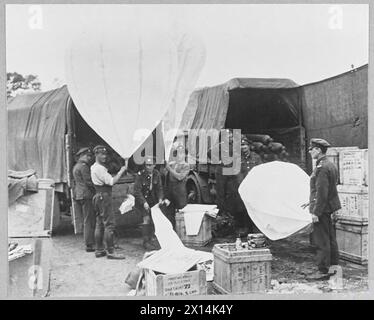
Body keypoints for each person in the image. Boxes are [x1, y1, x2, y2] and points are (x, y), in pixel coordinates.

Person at [307, 138, 341, 279]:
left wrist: (316, 212)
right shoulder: (330, 165)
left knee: (321, 240)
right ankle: (333, 267)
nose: (309, 151)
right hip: (329, 208)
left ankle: (323, 270)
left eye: (311, 149)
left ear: (318, 150)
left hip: (323, 209)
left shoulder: (321, 167)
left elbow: (322, 192)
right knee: (331, 239)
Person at [91, 145, 127, 259]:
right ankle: (111, 252)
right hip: (104, 197)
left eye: (105, 154)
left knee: (99, 223)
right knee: (109, 224)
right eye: (101, 154)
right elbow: (112, 181)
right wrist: (121, 171)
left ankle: (99, 249)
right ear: (96, 154)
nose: (104, 157)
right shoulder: (100, 169)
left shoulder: (93, 167)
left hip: (97, 196)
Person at [134, 156, 168, 250]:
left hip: (152, 199)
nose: (148, 167)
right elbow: (137, 191)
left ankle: (152, 238)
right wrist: (144, 202)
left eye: (150, 165)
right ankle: (146, 242)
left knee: (155, 218)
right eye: (146, 165)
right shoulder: (140, 175)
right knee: (146, 219)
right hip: (142, 200)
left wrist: (160, 198)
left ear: (154, 165)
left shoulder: (157, 174)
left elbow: (159, 188)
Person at [234, 136, 263, 235]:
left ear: (249, 146)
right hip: (244, 187)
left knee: (256, 207)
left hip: (254, 186)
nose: (243, 148)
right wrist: (243, 185)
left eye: (245, 145)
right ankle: (246, 228)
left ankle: (257, 228)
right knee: (245, 208)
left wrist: (257, 184)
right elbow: (238, 173)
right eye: (241, 146)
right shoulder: (237, 159)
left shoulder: (256, 157)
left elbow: (260, 171)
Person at [72, 147, 96, 252]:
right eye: (88, 156)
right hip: (87, 195)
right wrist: (97, 189)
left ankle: (89, 242)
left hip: (80, 195)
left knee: (86, 219)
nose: (89, 158)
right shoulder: (84, 167)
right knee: (89, 220)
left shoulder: (76, 166)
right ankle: (89, 244)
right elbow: (88, 182)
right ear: (83, 156)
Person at [164, 144, 190, 227]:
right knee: (169, 213)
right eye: (178, 153)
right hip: (171, 191)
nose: (180, 156)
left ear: (185, 155)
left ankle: (181, 232)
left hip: (180, 193)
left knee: (181, 213)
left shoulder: (186, 165)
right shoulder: (172, 164)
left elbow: (180, 177)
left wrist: (169, 169)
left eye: (182, 153)